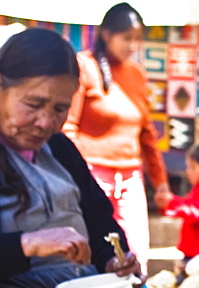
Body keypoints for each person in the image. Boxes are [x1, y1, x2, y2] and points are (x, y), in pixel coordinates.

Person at [0, 28, 199, 288]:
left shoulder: (58, 148)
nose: (46, 121)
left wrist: (113, 256)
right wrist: (30, 244)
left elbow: (98, 217)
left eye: (60, 109)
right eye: (34, 104)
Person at [62, 3, 172, 273]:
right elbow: (68, 128)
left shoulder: (136, 73)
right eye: (126, 38)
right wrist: (78, 173)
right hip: (91, 174)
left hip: (131, 178)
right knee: (97, 248)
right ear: (105, 34)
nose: (132, 45)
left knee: (135, 252)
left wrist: (160, 182)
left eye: (137, 39)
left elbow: (146, 134)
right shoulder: (84, 66)